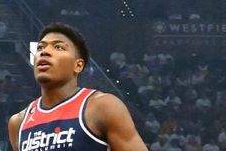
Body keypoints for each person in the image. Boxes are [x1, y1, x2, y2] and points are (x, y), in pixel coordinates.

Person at [8, 23, 147, 151]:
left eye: (58, 47)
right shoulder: (18, 122)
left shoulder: (102, 107)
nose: (45, 52)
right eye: (40, 47)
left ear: (78, 65)